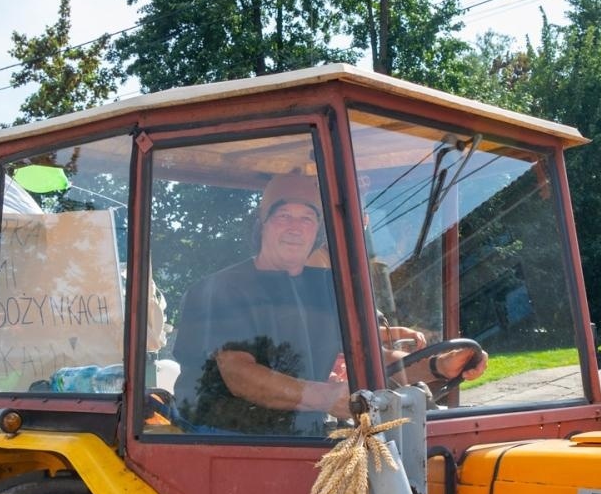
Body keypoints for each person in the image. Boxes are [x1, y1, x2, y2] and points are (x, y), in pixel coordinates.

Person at [170, 172, 484, 435]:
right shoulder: (223, 289)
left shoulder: (326, 289)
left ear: (318, 230)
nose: (295, 227)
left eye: (307, 218)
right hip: (219, 438)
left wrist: (438, 365)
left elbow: (370, 359)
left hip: (296, 434)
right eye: (283, 216)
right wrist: (326, 396)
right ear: (262, 223)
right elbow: (239, 375)